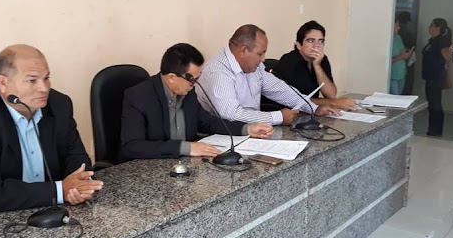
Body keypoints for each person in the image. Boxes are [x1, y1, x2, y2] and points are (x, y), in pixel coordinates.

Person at [0, 44, 103, 214]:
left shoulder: (59, 105)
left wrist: (80, 187)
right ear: (3, 83)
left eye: (46, 78)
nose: (44, 88)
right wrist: (59, 191)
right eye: (32, 80)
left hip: (47, 208)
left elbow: (76, 157)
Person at [120, 43, 273, 160]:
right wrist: (186, 148)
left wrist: (246, 129)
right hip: (150, 170)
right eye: (192, 79)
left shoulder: (188, 91)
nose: (196, 84)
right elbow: (132, 146)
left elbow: (208, 122)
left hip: (185, 166)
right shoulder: (139, 96)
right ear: (172, 77)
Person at [197, 24, 339, 125]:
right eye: (260, 53)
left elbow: (280, 90)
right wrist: (277, 117)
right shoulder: (218, 72)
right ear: (244, 50)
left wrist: (313, 108)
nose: (263, 59)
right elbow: (231, 115)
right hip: (222, 138)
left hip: (252, 132)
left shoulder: (254, 67)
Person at [271, 21, 357, 110]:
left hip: (311, 110)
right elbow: (295, 100)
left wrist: (317, 66)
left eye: (320, 41)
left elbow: (331, 94)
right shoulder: (289, 61)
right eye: (311, 41)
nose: (316, 46)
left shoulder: (321, 59)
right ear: (299, 45)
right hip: (286, 111)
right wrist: (334, 103)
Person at [421, 18, 453, 137]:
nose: (429, 28)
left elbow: (448, 58)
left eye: (431, 25)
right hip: (430, 76)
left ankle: (435, 130)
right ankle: (433, 128)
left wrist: (452, 51)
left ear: (438, 27)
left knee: (435, 103)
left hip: (436, 76)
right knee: (432, 102)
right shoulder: (432, 41)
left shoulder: (441, 41)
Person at [390, 16, 413, 95]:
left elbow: (402, 51)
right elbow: (385, 61)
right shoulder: (387, 40)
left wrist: (408, 53)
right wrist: (401, 57)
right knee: (394, 100)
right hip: (392, 76)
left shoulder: (398, 37)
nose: (399, 28)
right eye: (397, 25)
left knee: (399, 97)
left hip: (401, 73)